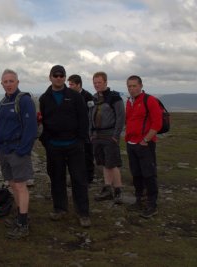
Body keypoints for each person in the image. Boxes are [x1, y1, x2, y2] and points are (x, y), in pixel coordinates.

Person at [39, 65, 91, 227]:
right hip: (53, 146)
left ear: (65, 78)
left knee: (79, 179)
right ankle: (60, 208)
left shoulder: (75, 97)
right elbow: (42, 121)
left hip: (74, 146)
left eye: (62, 75)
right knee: (56, 179)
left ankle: (83, 213)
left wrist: (81, 140)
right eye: (56, 75)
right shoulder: (44, 98)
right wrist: (46, 141)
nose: (59, 77)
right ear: (50, 77)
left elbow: (83, 119)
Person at [0, 69, 38, 239]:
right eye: (5, 82)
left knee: (21, 186)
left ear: (17, 82)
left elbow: (31, 127)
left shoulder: (24, 100)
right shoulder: (3, 102)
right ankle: (19, 215)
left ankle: (23, 222)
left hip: (17, 151)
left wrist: (23, 150)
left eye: (11, 81)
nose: (8, 84)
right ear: (2, 84)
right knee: (13, 185)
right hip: (4, 151)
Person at [125, 75, 162, 218]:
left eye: (134, 86)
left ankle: (152, 205)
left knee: (149, 175)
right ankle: (139, 200)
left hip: (145, 144)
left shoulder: (149, 100)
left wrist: (145, 139)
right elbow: (129, 120)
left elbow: (157, 123)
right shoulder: (129, 102)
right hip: (131, 144)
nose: (132, 89)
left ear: (140, 86)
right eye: (129, 86)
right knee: (136, 174)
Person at [89, 72, 125, 203]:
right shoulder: (93, 99)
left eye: (99, 82)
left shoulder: (115, 97)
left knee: (112, 163)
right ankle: (107, 189)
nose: (97, 85)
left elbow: (121, 118)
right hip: (97, 136)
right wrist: (91, 134)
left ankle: (118, 191)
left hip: (110, 135)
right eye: (95, 82)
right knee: (104, 163)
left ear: (106, 82)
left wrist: (116, 136)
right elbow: (90, 117)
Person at [68, 74, 95, 183]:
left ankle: (89, 178)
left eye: (72, 84)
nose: (69, 86)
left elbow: (92, 114)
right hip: (74, 131)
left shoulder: (88, 96)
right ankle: (77, 177)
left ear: (79, 84)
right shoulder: (70, 95)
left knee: (87, 154)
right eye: (69, 84)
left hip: (86, 130)